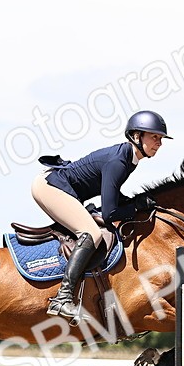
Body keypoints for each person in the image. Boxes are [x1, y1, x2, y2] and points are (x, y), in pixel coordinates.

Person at [31, 110, 171, 320]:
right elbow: (110, 212)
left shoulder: (129, 158)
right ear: (136, 136)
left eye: (160, 138)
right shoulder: (119, 161)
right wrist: (135, 206)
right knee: (92, 234)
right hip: (51, 186)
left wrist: (135, 202)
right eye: (154, 137)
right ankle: (63, 298)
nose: (159, 143)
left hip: (58, 186)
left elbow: (113, 198)